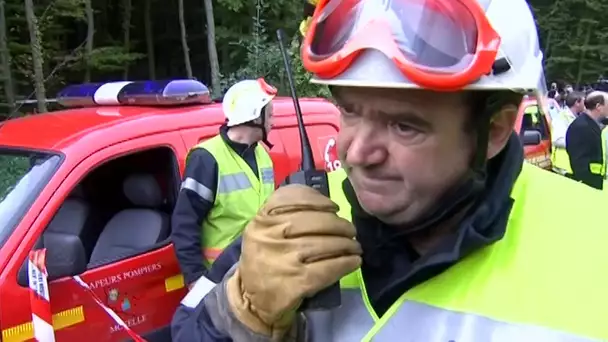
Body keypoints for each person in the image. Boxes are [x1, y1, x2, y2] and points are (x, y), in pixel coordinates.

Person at [172, 1, 608, 341]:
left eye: (404, 126)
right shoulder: (303, 217)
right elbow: (182, 329)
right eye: (348, 112)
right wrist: (240, 313)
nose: (356, 153)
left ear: (493, 130)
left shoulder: (595, 243)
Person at [170, 78, 277, 289]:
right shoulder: (207, 158)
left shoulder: (262, 154)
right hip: (221, 278)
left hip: (260, 271)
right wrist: (195, 278)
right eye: (270, 114)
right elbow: (185, 223)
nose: (273, 121)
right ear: (255, 116)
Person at [566, 91, 608, 189]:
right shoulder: (581, 127)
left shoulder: (592, 123)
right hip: (590, 184)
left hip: (598, 182)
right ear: (598, 106)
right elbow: (579, 162)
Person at [550, 91, 585, 175]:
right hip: (563, 165)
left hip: (572, 164)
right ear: (577, 102)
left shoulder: (576, 116)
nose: (586, 104)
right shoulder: (561, 118)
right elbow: (557, 140)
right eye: (584, 101)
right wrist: (580, 143)